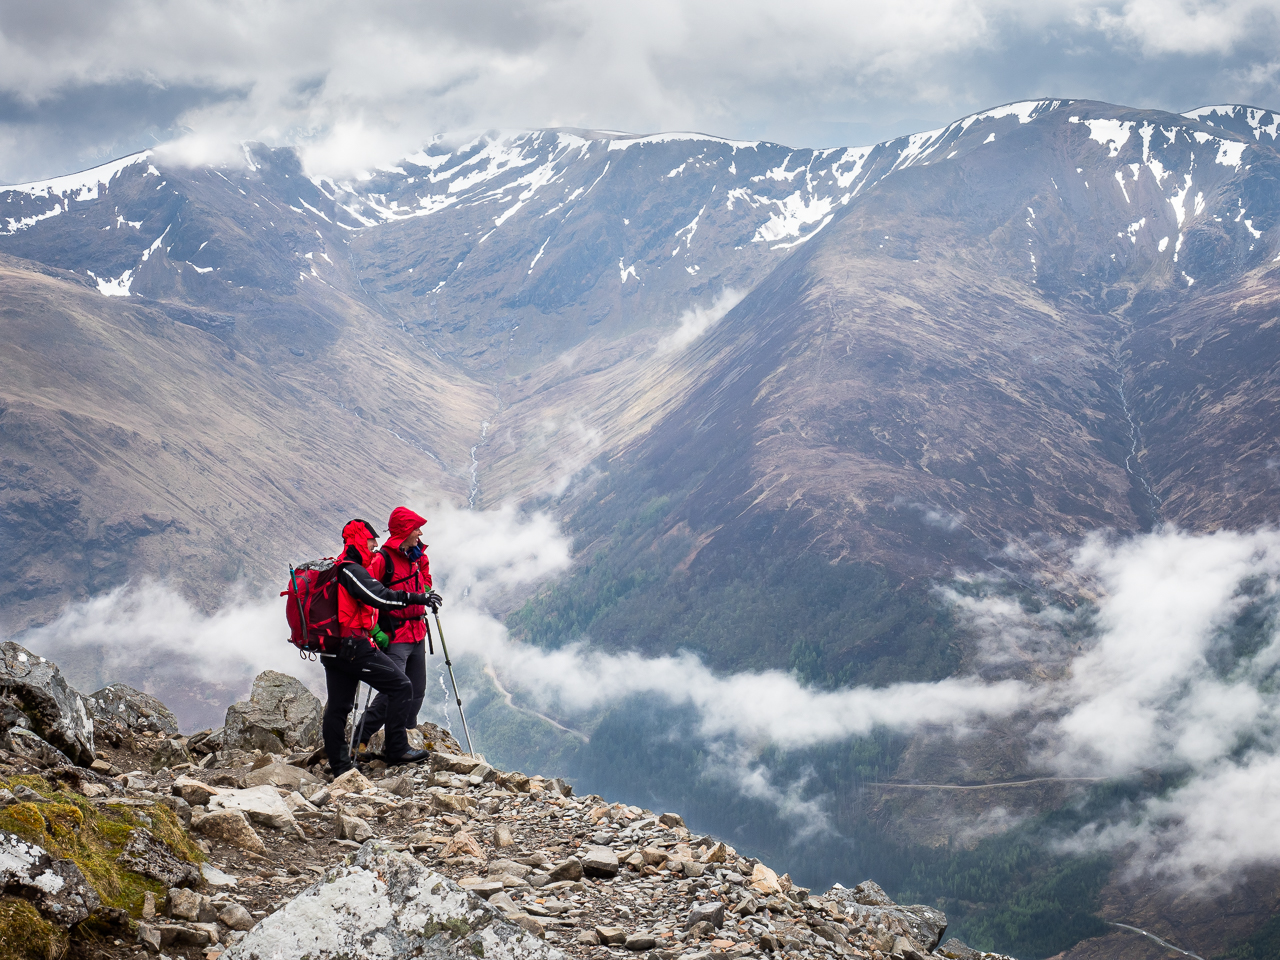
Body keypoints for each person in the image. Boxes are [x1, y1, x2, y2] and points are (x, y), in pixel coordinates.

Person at [322, 518, 433, 776]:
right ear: (361, 540)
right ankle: (397, 749)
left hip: (335, 647)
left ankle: (341, 767)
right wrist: (417, 598)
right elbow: (378, 595)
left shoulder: (344, 567)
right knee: (401, 686)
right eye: (371, 540)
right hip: (354, 647)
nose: (375, 545)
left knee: (339, 706)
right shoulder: (350, 569)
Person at [356, 506, 443, 756]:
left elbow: (425, 580)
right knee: (393, 690)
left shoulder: (415, 556)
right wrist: (374, 631)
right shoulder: (383, 560)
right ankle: (361, 737)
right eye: (415, 527)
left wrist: (425, 591)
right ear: (404, 530)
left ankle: (403, 737)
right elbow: (367, 595)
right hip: (395, 635)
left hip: (417, 631)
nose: (420, 532)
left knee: (417, 689)